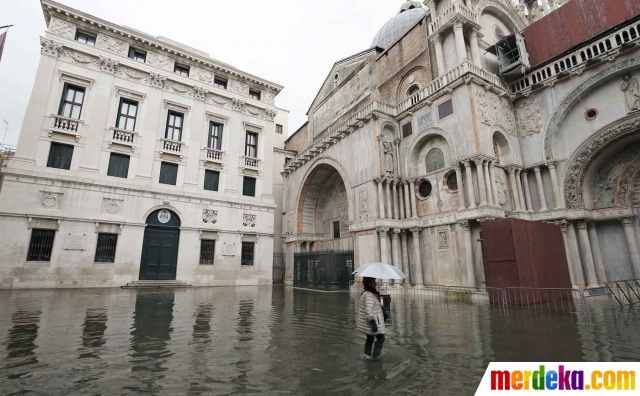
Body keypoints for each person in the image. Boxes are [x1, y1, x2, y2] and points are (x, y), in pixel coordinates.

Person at [358, 277, 385, 359]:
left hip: (372, 321)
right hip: (373, 322)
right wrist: (373, 323)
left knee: (370, 338)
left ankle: (367, 355)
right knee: (381, 339)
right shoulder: (369, 294)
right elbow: (368, 310)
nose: (375, 283)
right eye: (374, 282)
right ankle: (375, 357)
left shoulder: (370, 293)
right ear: (369, 283)